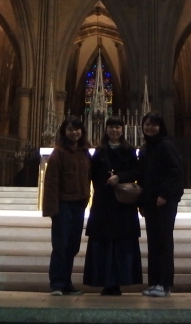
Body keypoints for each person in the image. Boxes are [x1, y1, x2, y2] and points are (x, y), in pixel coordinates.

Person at [83, 116, 143, 295]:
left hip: (123, 205)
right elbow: (92, 174)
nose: (114, 130)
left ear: (122, 130)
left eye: (118, 127)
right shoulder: (99, 151)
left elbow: (136, 171)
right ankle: (105, 282)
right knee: (103, 244)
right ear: (106, 129)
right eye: (111, 127)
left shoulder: (130, 150)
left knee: (122, 245)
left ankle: (120, 281)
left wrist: (120, 177)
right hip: (103, 203)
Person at [42, 116, 91, 296]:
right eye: (70, 129)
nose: (74, 132)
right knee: (61, 245)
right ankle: (56, 283)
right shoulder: (58, 153)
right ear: (64, 131)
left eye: (77, 129)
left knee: (72, 246)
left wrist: (86, 198)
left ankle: (67, 282)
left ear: (82, 131)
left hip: (78, 204)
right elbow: (51, 182)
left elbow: (88, 177)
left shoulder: (84, 152)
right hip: (63, 205)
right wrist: (52, 209)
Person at [137, 111, 183, 297]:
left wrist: (165, 194)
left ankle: (164, 284)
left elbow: (176, 172)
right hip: (150, 202)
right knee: (153, 243)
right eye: (147, 124)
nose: (150, 127)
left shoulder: (166, 145)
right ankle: (154, 282)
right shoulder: (146, 148)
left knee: (164, 242)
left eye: (154, 124)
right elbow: (143, 177)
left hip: (164, 202)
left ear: (160, 127)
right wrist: (142, 202)